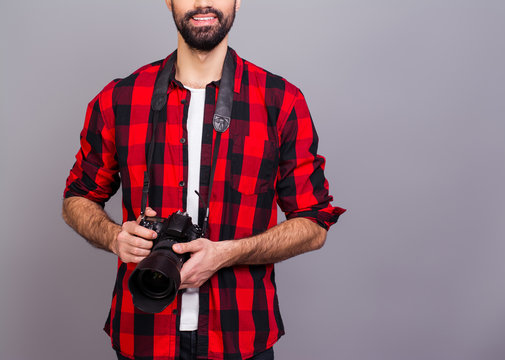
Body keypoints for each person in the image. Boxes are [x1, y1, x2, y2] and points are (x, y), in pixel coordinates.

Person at [62, 0, 345, 359]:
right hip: (143, 332)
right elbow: (77, 197)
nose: (202, 3)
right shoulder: (119, 98)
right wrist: (114, 236)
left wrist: (227, 253)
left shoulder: (280, 101)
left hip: (240, 335)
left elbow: (314, 222)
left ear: (238, 1)